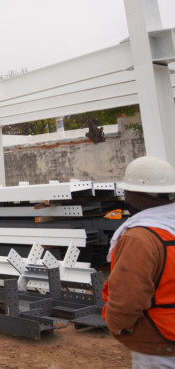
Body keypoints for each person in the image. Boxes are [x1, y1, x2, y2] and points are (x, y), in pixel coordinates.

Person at [103, 156, 175, 367]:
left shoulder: (140, 238)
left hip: (160, 341)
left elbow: (128, 297)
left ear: (134, 196)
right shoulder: (169, 227)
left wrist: (118, 325)